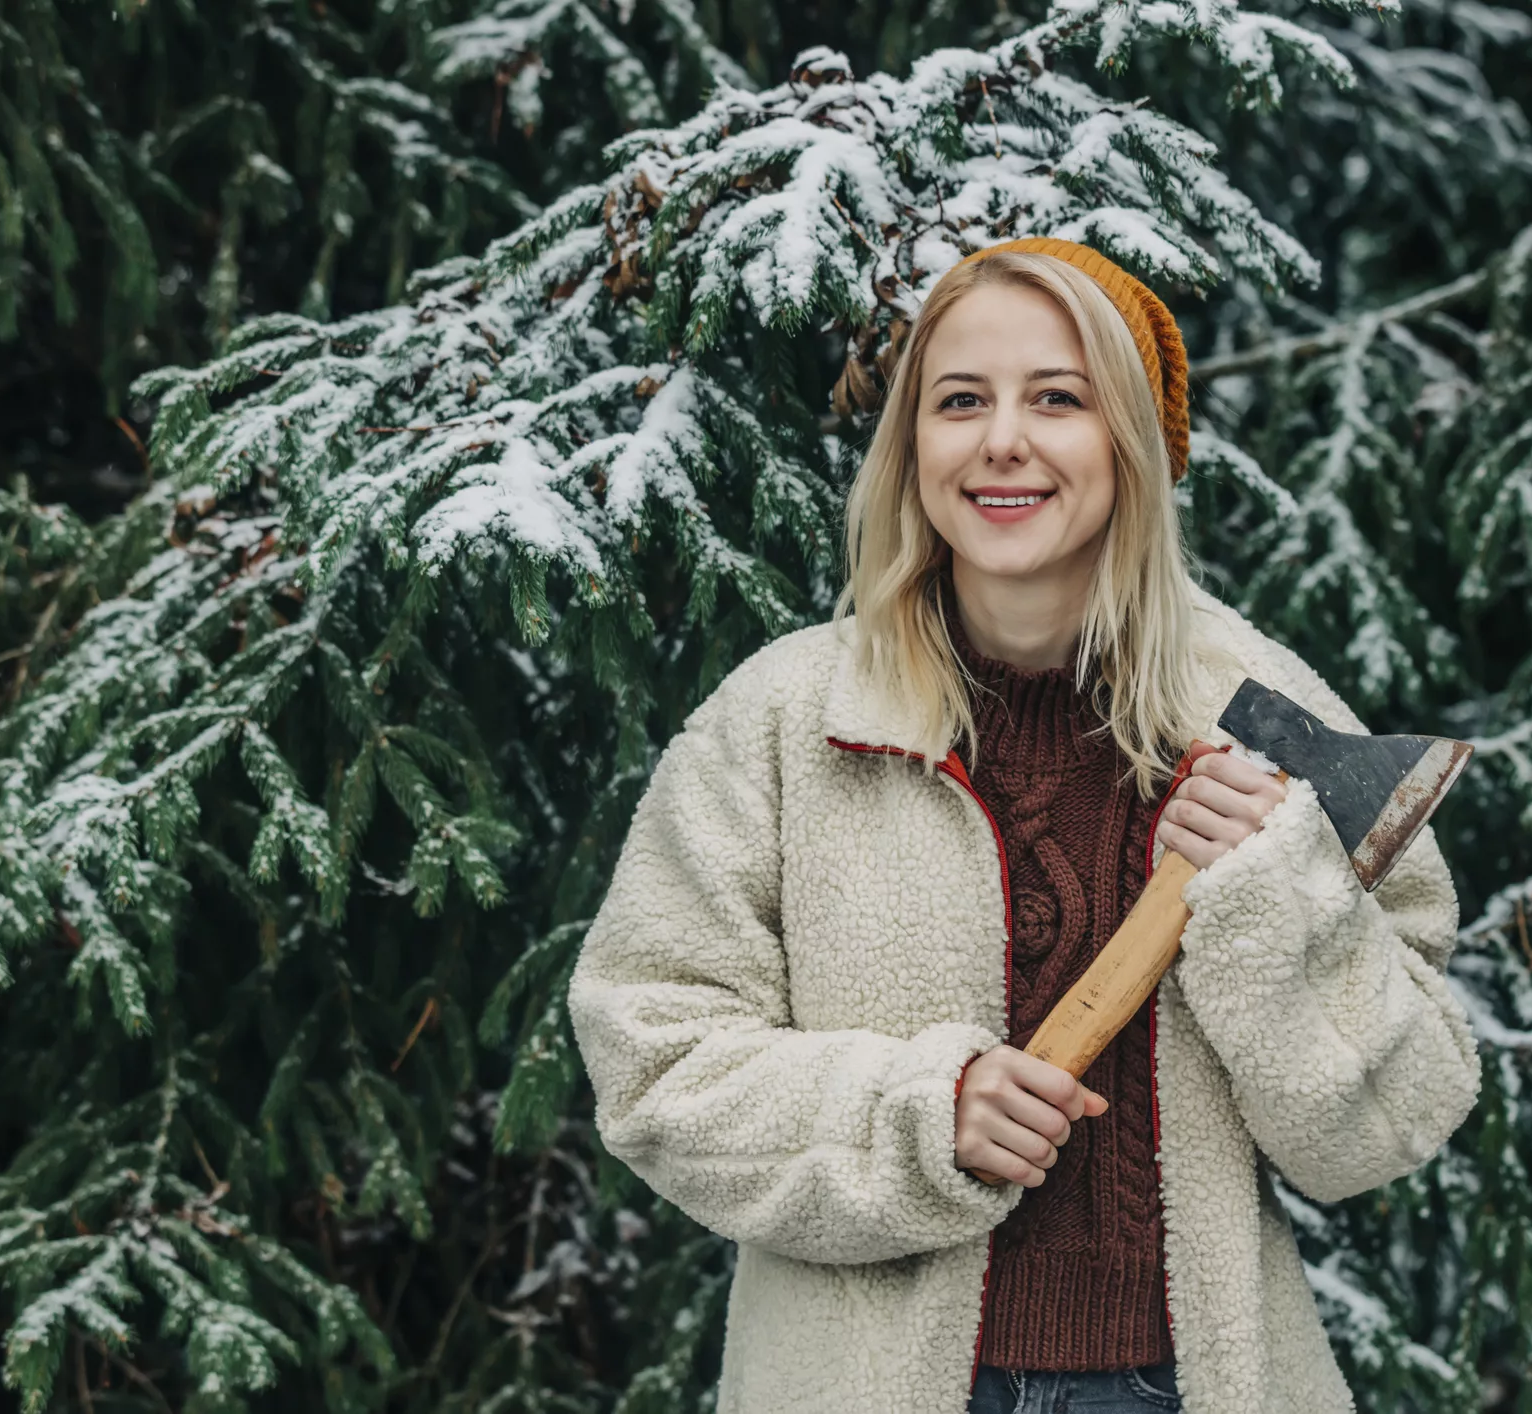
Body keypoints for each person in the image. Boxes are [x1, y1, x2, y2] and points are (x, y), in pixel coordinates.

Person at [566, 237, 1481, 1414]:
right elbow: (652, 1059)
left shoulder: (1252, 716)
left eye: (1058, 397)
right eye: (960, 402)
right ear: (912, 449)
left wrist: (1275, 894)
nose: (1004, 440)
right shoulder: (791, 720)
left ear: (1133, 445)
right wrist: (919, 1113)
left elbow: (1390, 1124)